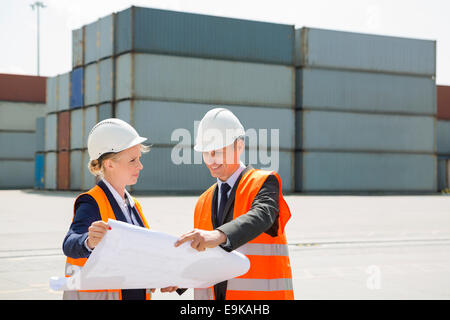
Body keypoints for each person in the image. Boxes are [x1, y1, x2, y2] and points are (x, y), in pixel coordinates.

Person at [175, 108, 294, 300]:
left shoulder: (264, 183)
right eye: (206, 153)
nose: (211, 160)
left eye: (218, 152)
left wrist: (218, 235)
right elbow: (203, 252)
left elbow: (262, 215)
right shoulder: (203, 201)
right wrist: (179, 280)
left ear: (239, 147)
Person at [62, 118, 177, 300]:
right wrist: (88, 241)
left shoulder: (132, 205)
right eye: (132, 160)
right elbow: (70, 243)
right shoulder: (91, 202)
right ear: (109, 164)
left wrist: (162, 275)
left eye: (139, 159)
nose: (140, 166)